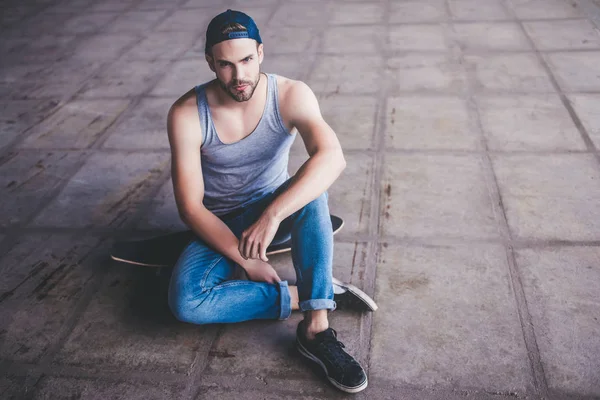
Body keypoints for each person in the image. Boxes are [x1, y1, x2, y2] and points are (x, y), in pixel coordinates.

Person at [166, 9, 376, 394]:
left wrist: (272, 214)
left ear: (261, 53)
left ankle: (316, 328)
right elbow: (191, 208)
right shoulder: (186, 114)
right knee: (187, 303)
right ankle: (318, 294)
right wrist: (245, 258)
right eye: (225, 64)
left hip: (276, 204)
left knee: (314, 185)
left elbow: (333, 157)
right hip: (222, 218)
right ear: (210, 62)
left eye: (246, 60)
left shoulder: (290, 94)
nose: (239, 75)